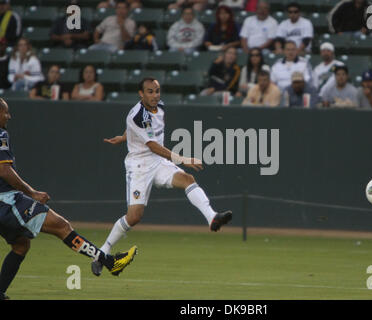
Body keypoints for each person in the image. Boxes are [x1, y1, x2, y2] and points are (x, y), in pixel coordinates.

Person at [90, 77, 232, 276]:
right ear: (141, 94)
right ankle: (101, 253)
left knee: (188, 180)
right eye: (150, 91)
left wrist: (123, 137)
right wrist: (182, 158)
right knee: (134, 217)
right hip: (139, 166)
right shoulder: (137, 115)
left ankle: (212, 218)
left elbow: (141, 134)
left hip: (158, 163)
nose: (155, 95)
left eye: (157, 91)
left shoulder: (159, 106)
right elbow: (153, 145)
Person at [0, 98, 137, 300]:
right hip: (7, 201)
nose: (9, 116)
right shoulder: (1, 134)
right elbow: (3, 168)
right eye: (5, 112)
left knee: (21, 245)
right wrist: (32, 192)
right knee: (61, 226)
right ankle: (110, 263)